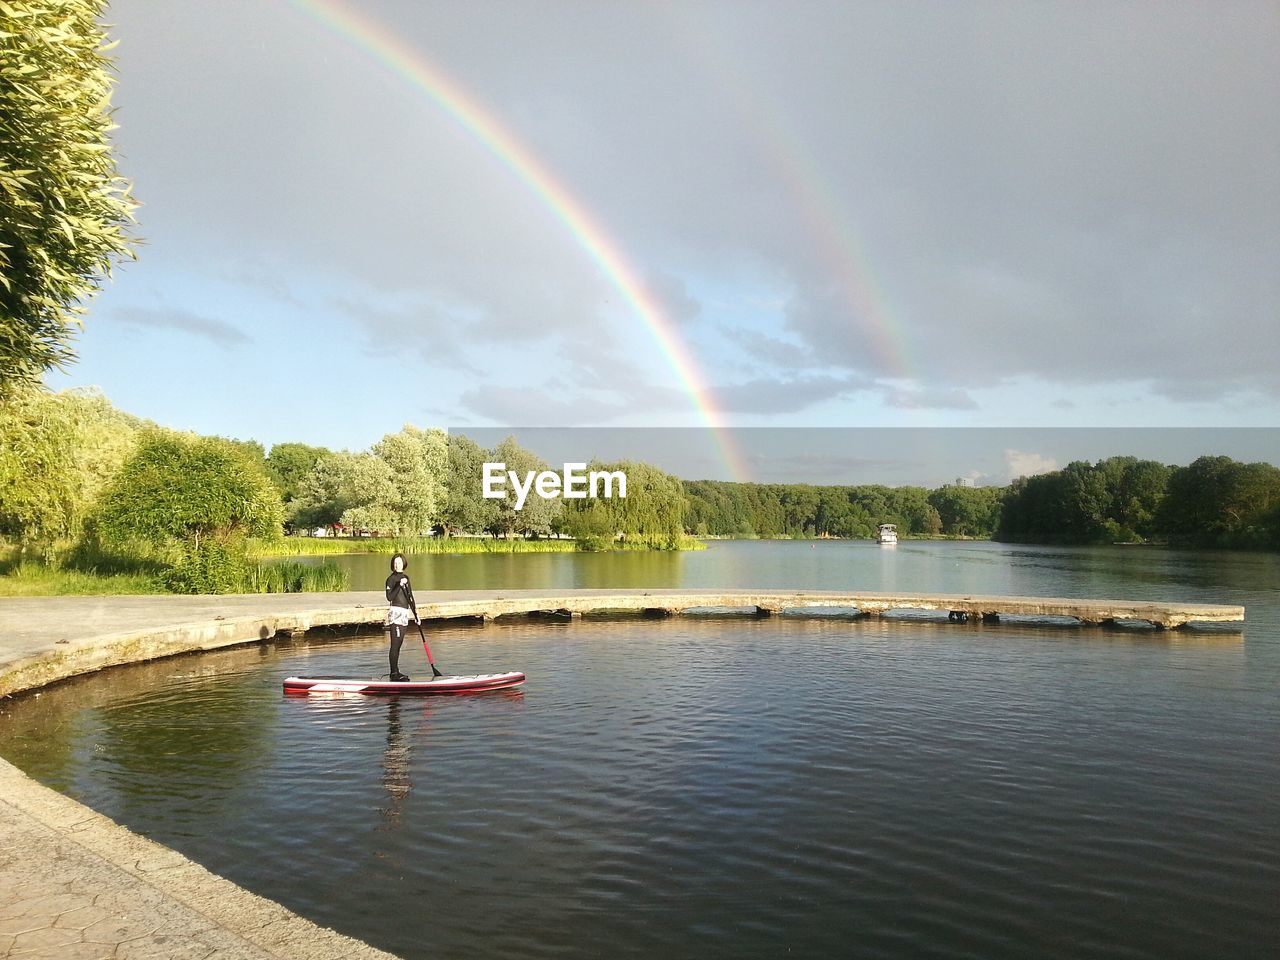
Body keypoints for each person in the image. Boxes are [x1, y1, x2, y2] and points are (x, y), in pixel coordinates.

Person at [385, 553, 419, 682]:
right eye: (395, 562)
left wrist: (416, 614)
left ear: (403, 563)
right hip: (396, 613)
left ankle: (396, 671)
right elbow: (389, 597)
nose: (396, 564)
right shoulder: (391, 579)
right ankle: (393, 673)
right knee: (395, 644)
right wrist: (399, 585)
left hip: (405, 613)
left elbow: (410, 597)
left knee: (399, 644)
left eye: (399, 562)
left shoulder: (406, 578)